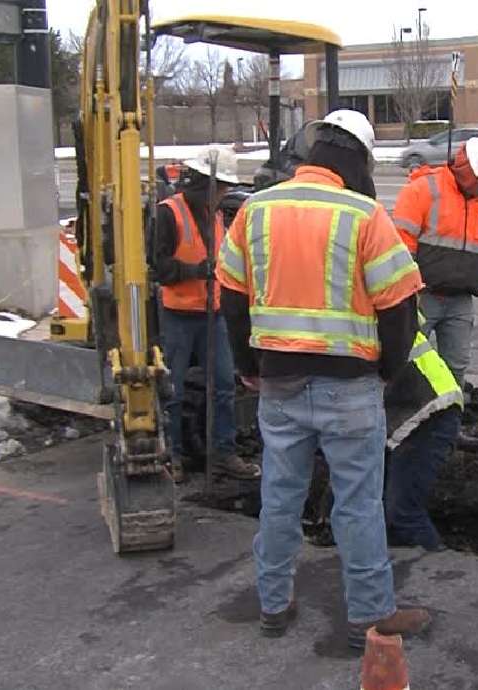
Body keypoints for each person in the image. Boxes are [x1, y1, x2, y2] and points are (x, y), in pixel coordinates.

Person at [216, 110, 431, 650]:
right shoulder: (364, 214)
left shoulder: (256, 210)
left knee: (280, 497)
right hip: (350, 386)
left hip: (279, 385)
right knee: (357, 504)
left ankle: (273, 605)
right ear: (358, 159)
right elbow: (399, 306)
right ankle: (369, 618)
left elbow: (232, 298)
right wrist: (387, 371)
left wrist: (247, 366)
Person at [154, 147, 260, 481]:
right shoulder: (169, 213)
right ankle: (172, 455)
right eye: (223, 187)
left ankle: (223, 453)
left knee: (225, 386)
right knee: (173, 389)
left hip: (212, 314)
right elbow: (158, 267)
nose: (226, 194)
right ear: (207, 185)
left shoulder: (214, 215)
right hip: (179, 315)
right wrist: (198, 270)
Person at [391, 137, 478, 386]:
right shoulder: (423, 190)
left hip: (460, 300)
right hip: (421, 297)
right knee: (406, 362)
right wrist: (409, 291)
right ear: (466, 169)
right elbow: (401, 244)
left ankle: (449, 419)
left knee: (456, 364)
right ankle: (404, 416)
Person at [383, 329, 463, 552]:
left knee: (403, 512)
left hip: (430, 414)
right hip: (407, 414)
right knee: (377, 508)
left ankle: (437, 567)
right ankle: (395, 565)